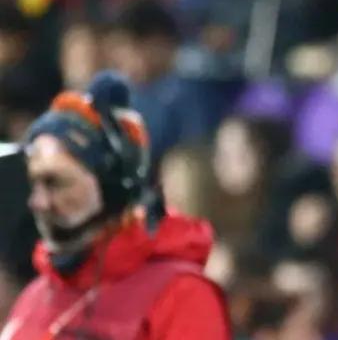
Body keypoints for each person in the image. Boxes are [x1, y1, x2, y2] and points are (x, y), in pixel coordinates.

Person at [0, 71, 230, 339]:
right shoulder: (35, 296)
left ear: (113, 186)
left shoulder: (180, 295)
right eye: (35, 184)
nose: (38, 202)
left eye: (56, 183)